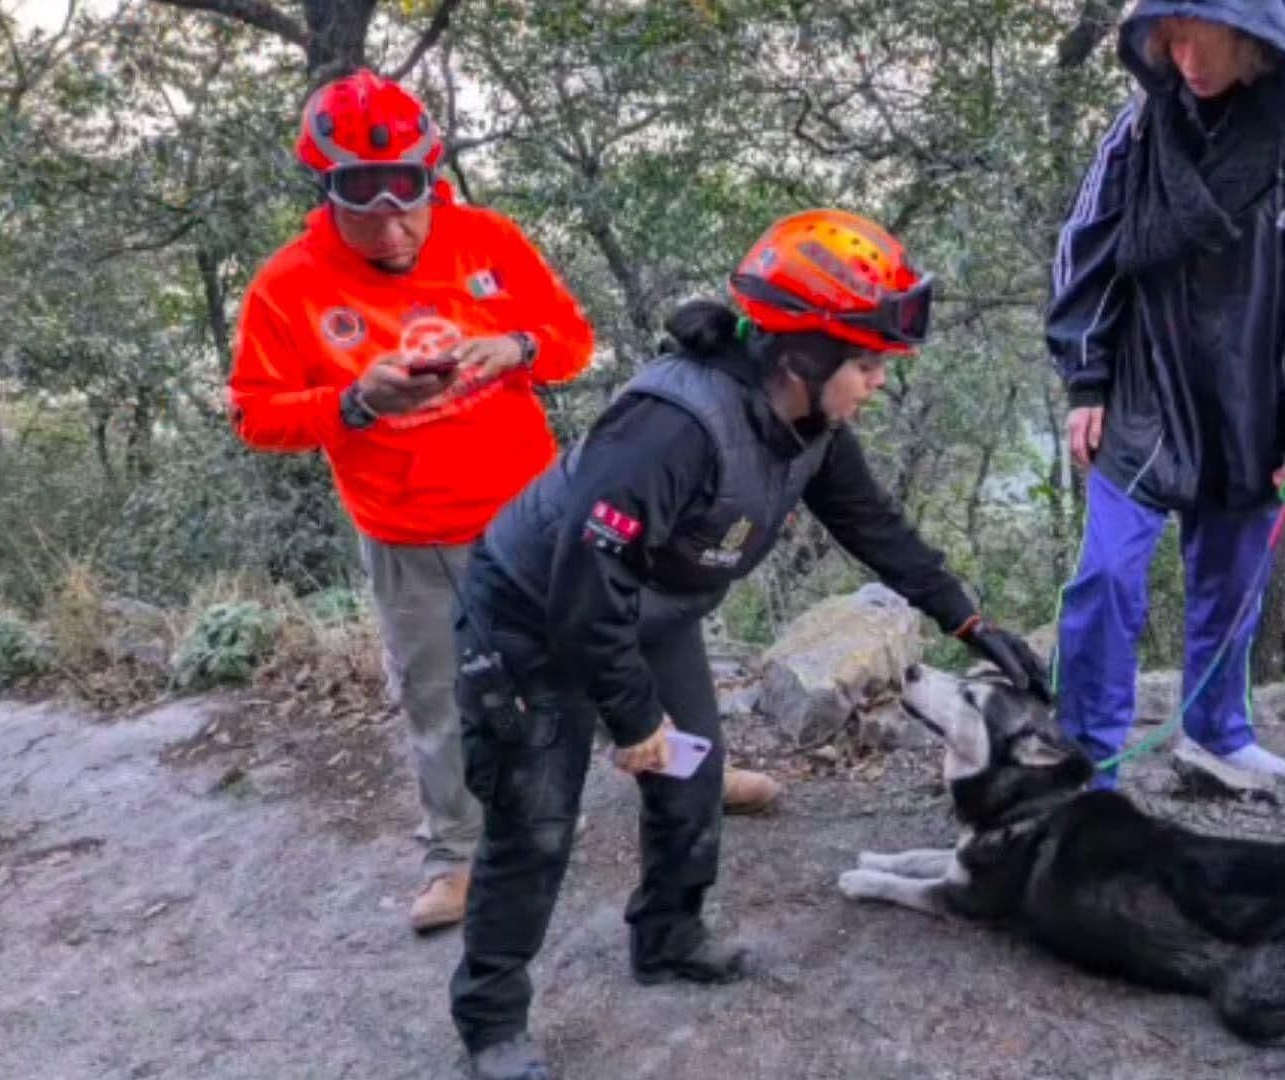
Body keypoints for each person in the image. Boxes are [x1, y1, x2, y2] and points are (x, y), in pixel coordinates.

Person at [446, 209, 1051, 1080]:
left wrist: (969, 618)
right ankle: (493, 1024)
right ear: (802, 354)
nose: (879, 382)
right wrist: (631, 718)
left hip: (650, 611)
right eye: (870, 363)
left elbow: (872, 523)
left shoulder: (808, 426)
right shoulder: (672, 427)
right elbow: (586, 587)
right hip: (534, 622)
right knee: (535, 825)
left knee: (691, 779)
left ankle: (669, 936)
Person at [227, 69, 596, 933]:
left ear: (436, 177)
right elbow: (254, 413)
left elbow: (573, 341)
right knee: (440, 697)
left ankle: (650, 781)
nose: (394, 229)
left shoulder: (487, 239)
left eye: (412, 201)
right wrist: (355, 402)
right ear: (327, 188)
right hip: (408, 532)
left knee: (579, 655)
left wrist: (516, 346)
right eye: (366, 206)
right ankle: (455, 857)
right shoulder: (289, 284)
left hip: (530, 510)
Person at [1049, 2, 1285, 785]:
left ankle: (1215, 736)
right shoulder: (1142, 126)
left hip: (1259, 398)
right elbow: (1089, 248)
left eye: (1199, 33)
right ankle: (1085, 761)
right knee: (1106, 575)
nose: (1182, 56)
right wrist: (1086, 376)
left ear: (1258, 36)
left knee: (1233, 582)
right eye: (1166, 36)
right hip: (1144, 386)